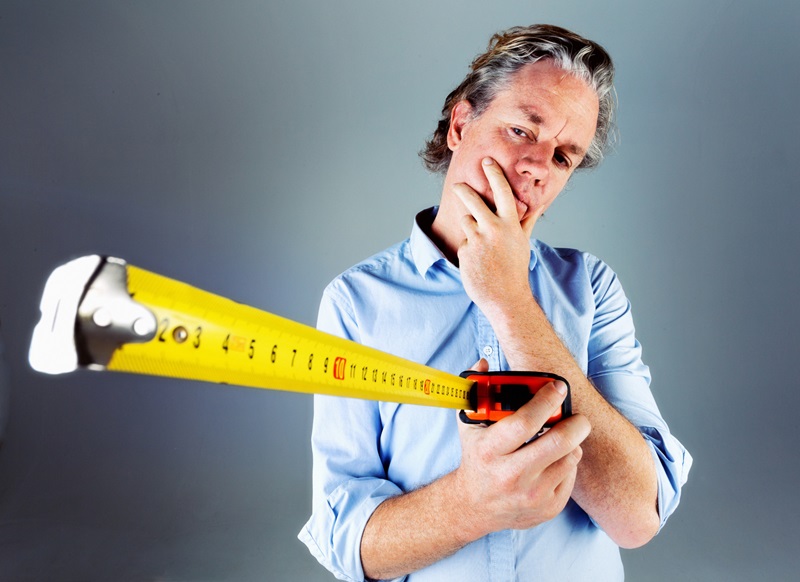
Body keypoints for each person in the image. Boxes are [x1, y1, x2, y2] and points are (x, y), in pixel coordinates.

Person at [298, 24, 692, 582]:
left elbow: (637, 517)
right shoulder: (357, 302)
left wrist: (510, 302)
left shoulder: (592, 288)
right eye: (519, 131)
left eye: (563, 157)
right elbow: (349, 547)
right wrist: (472, 502)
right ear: (461, 124)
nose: (536, 166)